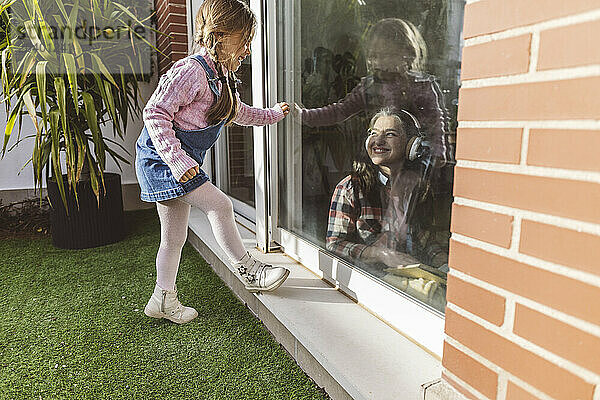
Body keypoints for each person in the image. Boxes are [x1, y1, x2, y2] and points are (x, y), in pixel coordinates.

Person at [135, 0, 291, 324]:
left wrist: (274, 114)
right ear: (219, 35)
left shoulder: (222, 80)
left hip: (177, 161)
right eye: (244, 41)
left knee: (173, 238)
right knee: (220, 205)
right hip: (161, 160)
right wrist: (177, 160)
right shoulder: (191, 71)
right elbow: (155, 112)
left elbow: (241, 112)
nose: (247, 50)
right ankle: (248, 270)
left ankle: (162, 298)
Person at [298, 18, 455, 168]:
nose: (376, 62)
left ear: (406, 55)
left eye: (384, 55)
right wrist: (305, 116)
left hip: (413, 161)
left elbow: (436, 122)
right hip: (379, 158)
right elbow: (340, 110)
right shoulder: (369, 86)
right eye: (373, 56)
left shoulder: (422, 86)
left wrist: (440, 152)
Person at [326, 108, 448, 272]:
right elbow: (334, 245)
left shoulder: (416, 187)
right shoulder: (350, 187)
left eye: (390, 134)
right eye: (374, 133)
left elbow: (424, 239)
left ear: (412, 145)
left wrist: (443, 263)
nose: (378, 141)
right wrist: (381, 254)